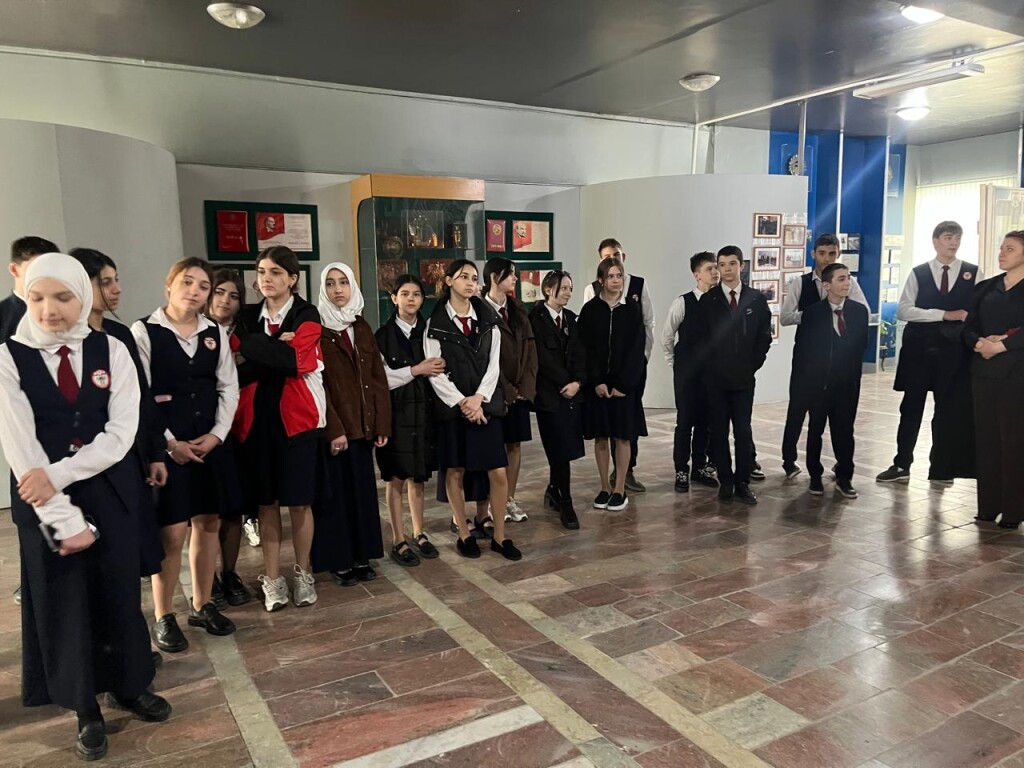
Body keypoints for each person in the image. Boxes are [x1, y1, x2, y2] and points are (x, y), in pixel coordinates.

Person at [0, 253, 170, 761]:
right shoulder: (9, 357)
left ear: (82, 296)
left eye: (63, 297)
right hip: (43, 503)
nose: (49, 309)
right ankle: (84, 707)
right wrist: (59, 509)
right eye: (37, 298)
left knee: (118, 592)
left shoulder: (111, 348)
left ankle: (129, 684)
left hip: (107, 491)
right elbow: (20, 446)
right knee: (65, 601)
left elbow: (120, 434)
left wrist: (57, 474)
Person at [133, 258, 241, 652]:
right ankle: (164, 615)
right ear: (169, 285)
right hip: (168, 448)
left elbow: (228, 387)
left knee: (208, 522)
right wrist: (169, 443)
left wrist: (217, 435)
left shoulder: (214, 332)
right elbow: (140, 394)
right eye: (187, 282)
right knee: (173, 532)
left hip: (209, 444)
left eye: (202, 286)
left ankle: (202, 602)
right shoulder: (145, 331)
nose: (194, 291)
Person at [235, 246, 326, 611]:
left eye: (275, 272)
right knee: (267, 503)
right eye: (261, 272)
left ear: (292, 278)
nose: (266, 279)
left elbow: (296, 362)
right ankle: (272, 578)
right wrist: (275, 347)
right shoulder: (246, 316)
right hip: (256, 422)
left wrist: (259, 350)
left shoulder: (306, 313)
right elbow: (238, 368)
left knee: (300, 503)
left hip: (297, 422)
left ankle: (303, 573)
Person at [69, 248, 166, 582]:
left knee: (133, 549)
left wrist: (155, 453)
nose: (117, 289)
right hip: (91, 464)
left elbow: (142, 397)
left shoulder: (120, 334)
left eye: (116, 280)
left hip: (131, 457)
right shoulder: (69, 339)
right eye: (106, 282)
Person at [424, 259, 522, 561]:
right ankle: (464, 533)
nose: (470, 282)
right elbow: (435, 372)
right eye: (463, 277)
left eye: (474, 277)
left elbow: (494, 365)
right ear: (449, 281)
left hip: (485, 406)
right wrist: (463, 402)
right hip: (455, 410)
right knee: (455, 470)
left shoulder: (488, 320)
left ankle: (500, 536)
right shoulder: (435, 323)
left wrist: (479, 398)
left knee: (498, 472)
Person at [878, 221, 981, 485]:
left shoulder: (973, 273)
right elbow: (904, 310)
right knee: (911, 408)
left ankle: (942, 467)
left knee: (948, 411)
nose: (954, 243)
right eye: (948, 237)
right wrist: (943, 314)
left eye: (957, 238)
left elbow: (978, 312)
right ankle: (901, 463)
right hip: (919, 352)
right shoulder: (919, 273)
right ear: (935, 241)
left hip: (954, 353)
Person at [311, 262, 391, 584]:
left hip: (363, 427)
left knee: (362, 494)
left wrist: (382, 424)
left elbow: (378, 377)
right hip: (337, 430)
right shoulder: (318, 331)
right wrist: (334, 430)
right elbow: (318, 385)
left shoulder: (362, 327)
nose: (338, 289)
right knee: (336, 497)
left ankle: (362, 555)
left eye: (343, 282)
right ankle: (339, 559)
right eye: (330, 283)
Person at [779, 234, 870, 478]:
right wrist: (818, 314)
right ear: (813, 254)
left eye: (832, 253)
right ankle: (789, 459)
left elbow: (863, 311)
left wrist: (836, 309)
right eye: (822, 253)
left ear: (838, 254)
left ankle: (842, 464)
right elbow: (786, 317)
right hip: (806, 359)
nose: (827, 258)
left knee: (839, 417)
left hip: (838, 361)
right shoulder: (801, 283)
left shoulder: (848, 281)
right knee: (797, 410)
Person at [693, 246, 772, 506]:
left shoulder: (755, 299)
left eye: (732, 263)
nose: (727, 269)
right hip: (715, 380)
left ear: (742, 266)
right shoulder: (709, 300)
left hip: (744, 379)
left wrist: (753, 364)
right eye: (722, 264)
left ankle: (742, 482)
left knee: (743, 431)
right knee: (718, 432)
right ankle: (726, 481)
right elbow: (700, 340)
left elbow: (764, 335)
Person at [3, 235, 58, 605]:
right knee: (32, 516)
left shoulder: (65, 314)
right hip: (24, 437)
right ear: (15, 269)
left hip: (68, 436)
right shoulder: (3, 317)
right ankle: (34, 582)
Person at [375, 274, 444, 566]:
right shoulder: (382, 335)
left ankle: (419, 532)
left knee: (419, 475)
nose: (411, 299)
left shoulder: (430, 333)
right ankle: (398, 538)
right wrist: (416, 370)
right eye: (405, 294)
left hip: (425, 413)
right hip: (395, 414)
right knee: (395, 477)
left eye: (416, 294)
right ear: (394, 298)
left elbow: (439, 368)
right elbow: (382, 379)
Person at [582, 238, 654, 493]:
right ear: (601, 277)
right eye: (610, 275)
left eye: (619, 275)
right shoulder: (591, 307)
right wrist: (596, 380)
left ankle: (622, 483)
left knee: (625, 433)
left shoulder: (632, 307)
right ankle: (604, 486)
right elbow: (587, 347)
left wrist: (627, 381)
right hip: (600, 382)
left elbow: (640, 342)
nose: (615, 280)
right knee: (602, 435)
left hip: (626, 381)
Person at [962, 230, 1024, 529]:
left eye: (1010, 249)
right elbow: (968, 327)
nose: (1002, 253)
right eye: (1001, 248)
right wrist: (979, 343)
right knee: (986, 438)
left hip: (1017, 373)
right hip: (984, 371)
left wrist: (1002, 345)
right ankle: (988, 506)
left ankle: (1013, 510)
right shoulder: (985, 288)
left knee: (1014, 440)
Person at [793, 263, 869, 498]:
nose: (847, 283)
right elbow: (805, 350)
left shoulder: (859, 311)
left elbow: (861, 346)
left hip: (847, 384)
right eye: (841, 279)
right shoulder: (813, 313)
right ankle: (815, 476)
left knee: (844, 431)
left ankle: (845, 477)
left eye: (848, 278)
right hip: (819, 384)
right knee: (815, 429)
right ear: (827, 285)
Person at [206, 268, 254, 607]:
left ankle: (230, 573)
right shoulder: (194, 330)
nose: (225, 300)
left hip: (241, 428)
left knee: (235, 507)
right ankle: (206, 576)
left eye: (234, 295)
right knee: (206, 512)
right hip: (205, 430)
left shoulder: (248, 333)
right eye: (219, 292)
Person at [529, 270, 586, 528]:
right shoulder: (535, 319)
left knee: (565, 448)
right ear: (548, 289)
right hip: (549, 395)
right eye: (563, 288)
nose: (568, 293)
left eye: (570, 289)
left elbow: (580, 353)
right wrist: (565, 382)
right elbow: (542, 358)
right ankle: (566, 502)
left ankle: (554, 490)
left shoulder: (571, 319)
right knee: (559, 448)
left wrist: (578, 383)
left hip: (571, 395)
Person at [660, 252, 721, 493]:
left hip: (712, 372)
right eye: (709, 269)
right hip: (687, 372)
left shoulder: (721, 302)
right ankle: (681, 469)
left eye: (715, 268)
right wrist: (674, 363)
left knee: (706, 422)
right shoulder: (683, 302)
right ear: (697, 275)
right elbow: (667, 335)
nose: (715, 272)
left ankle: (699, 467)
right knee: (685, 421)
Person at [483, 258, 537, 523]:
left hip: (519, 392)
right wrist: (505, 387)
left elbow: (530, 350)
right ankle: (491, 502)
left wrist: (525, 385)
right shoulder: (479, 310)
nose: (515, 279)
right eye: (510, 274)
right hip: (493, 391)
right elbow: (485, 358)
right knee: (493, 449)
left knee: (514, 445)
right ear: (494, 277)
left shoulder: (518, 309)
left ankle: (509, 499)